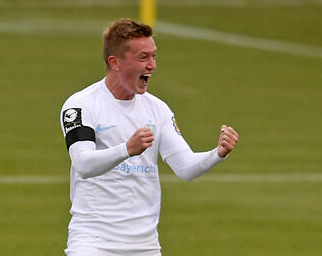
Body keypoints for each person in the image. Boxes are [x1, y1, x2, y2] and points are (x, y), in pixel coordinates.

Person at [60, 18, 239, 256]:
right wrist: (126, 149)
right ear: (115, 62)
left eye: (154, 56)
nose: (152, 65)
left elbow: (185, 167)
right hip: (94, 243)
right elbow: (83, 163)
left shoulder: (158, 109)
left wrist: (217, 154)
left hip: (145, 246)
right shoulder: (81, 105)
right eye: (143, 57)